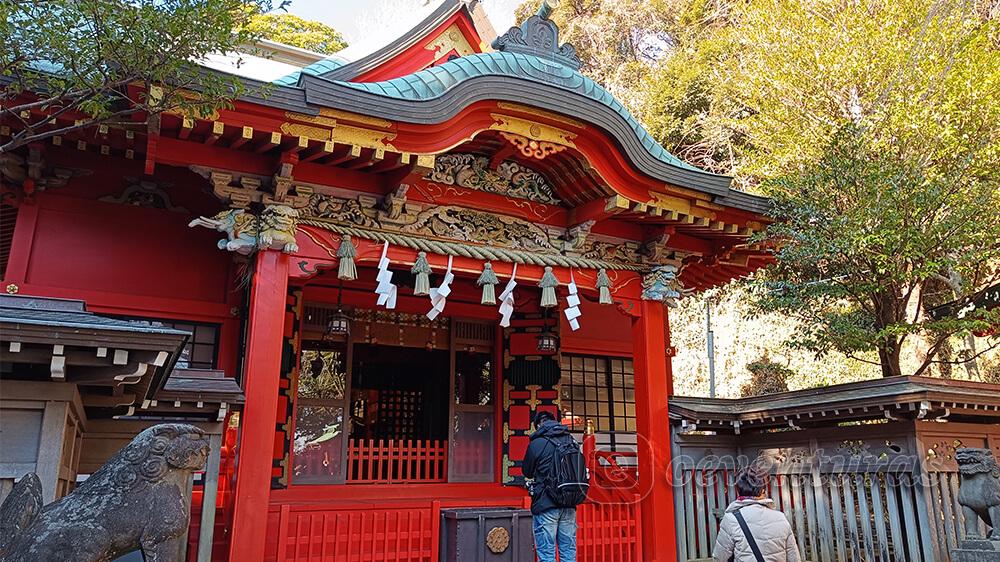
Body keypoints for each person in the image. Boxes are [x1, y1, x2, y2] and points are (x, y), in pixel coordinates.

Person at [713, 464, 801, 562]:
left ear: (738, 491)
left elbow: (719, 557)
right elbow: (794, 558)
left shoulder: (731, 519)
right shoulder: (781, 518)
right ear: (763, 490)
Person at [523, 410, 578, 562]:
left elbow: (526, 471)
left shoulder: (537, 443)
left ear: (539, 425)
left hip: (546, 503)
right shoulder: (571, 440)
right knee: (568, 551)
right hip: (569, 501)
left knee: (547, 553)